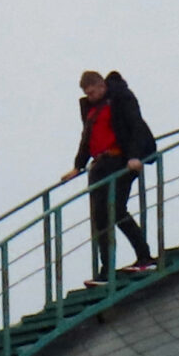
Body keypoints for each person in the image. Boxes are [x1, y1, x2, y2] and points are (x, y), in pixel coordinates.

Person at [64, 69, 156, 279]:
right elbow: (87, 139)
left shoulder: (120, 98)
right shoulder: (91, 110)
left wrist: (134, 156)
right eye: (87, 93)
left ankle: (145, 256)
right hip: (99, 165)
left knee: (117, 210)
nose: (91, 96)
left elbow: (135, 126)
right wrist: (78, 166)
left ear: (102, 86)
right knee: (101, 218)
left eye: (93, 92)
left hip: (120, 161)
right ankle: (106, 270)